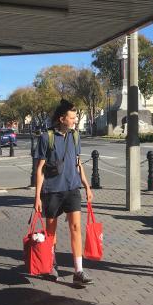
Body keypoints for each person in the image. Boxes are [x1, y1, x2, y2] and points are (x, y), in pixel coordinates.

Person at [34, 99, 94, 286]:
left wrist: (87, 186)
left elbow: (77, 163)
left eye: (75, 117)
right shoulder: (46, 138)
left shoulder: (75, 137)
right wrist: (37, 197)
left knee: (76, 228)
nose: (75, 120)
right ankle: (51, 265)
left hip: (72, 189)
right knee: (51, 232)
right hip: (52, 191)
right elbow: (40, 169)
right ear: (62, 119)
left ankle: (79, 270)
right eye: (72, 117)